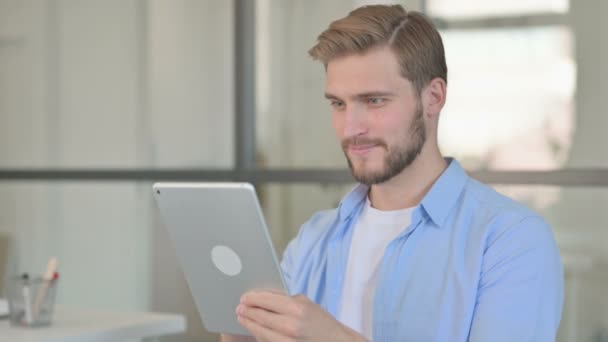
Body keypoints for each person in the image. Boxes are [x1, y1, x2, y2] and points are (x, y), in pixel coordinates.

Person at [224, 4, 563, 341]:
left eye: (374, 101)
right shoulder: (313, 239)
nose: (350, 128)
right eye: (338, 104)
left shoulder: (511, 241)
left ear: (433, 97)